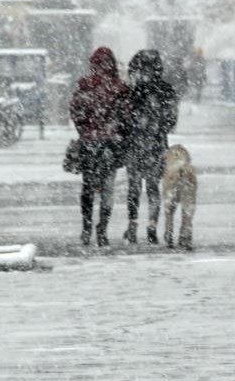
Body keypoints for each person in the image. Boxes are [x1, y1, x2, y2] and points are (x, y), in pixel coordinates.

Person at [69, 47, 129, 247]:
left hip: (89, 144)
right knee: (108, 188)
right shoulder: (119, 88)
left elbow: (76, 111)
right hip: (111, 145)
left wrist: (85, 131)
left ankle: (86, 227)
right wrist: (118, 133)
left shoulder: (85, 86)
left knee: (88, 186)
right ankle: (102, 229)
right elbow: (127, 117)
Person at [122, 49, 178, 245]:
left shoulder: (132, 93)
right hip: (156, 146)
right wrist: (158, 127)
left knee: (134, 188)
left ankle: (132, 226)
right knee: (153, 188)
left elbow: (124, 120)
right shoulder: (166, 90)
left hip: (135, 146)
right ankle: (152, 226)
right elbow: (171, 120)